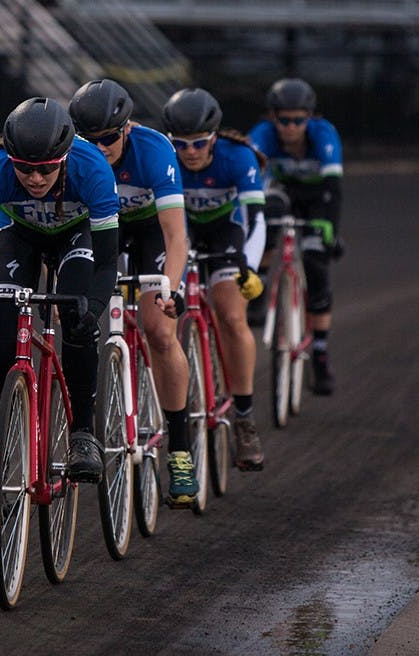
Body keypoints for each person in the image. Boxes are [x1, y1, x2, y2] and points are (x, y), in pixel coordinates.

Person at [0, 97, 120, 528]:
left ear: (65, 158)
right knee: (1, 354)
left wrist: (91, 310)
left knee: (78, 326)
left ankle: (81, 435)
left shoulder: (92, 169)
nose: (35, 178)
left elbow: (108, 263)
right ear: (11, 159)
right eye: (25, 168)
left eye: (46, 169)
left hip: (76, 237)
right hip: (17, 237)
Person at [68, 79, 198, 504]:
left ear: (126, 129)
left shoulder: (155, 150)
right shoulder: (73, 155)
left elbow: (176, 235)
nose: (99, 148)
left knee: (160, 331)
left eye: (108, 138)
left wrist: (172, 289)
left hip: (149, 236)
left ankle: (179, 449)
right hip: (100, 233)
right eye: (90, 140)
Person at [162, 87, 267, 471]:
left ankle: (244, 417)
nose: (190, 152)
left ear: (215, 137)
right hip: (181, 234)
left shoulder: (237, 157)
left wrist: (250, 267)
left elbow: (256, 219)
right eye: (181, 144)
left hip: (228, 235)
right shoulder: (165, 159)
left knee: (231, 315)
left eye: (200, 143)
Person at [248, 78, 344, 396]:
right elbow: (251, 185)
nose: (290, 127)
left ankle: (320, 354)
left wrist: (330, 229)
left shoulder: (324, 135)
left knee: (317, 265)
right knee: (268, 217)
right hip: (283, 193)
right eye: (284, 120)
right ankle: (259, 288)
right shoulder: (261, 137)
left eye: (298, 120)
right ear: (272, 118)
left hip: (317, 199)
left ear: (310, 118)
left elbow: (334, 189)